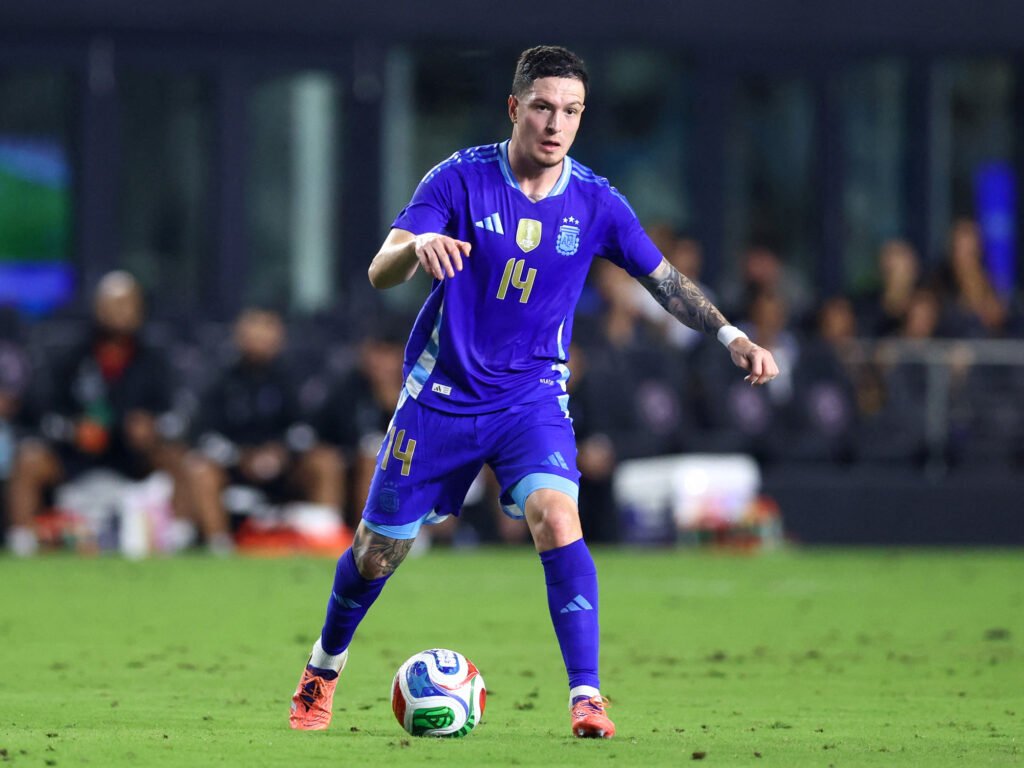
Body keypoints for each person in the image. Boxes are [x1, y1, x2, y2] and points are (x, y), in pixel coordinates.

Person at [289, 45, 779, 739]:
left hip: (532, 398)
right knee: (376, 553)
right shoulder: (459, 179)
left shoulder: (596, 201)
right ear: (515, 108)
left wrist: (731, 335)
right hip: (441, 396)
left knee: (556, 515)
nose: (556, 124)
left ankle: (587, 696)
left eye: (571, 111)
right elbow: (380, 269)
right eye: (543, 107)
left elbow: (664, 281)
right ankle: (323, 668)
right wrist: (416, 249)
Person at [4, 271, 188, 556]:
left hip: (132, 456)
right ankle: (23, 540)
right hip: (76, 456)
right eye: (113, 305)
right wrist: (73, 430)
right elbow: (40, 413)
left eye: (128, 304)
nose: (121, 312)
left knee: (178, 457)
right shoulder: (69, 353)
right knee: (29, 459)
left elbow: (178, 414)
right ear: (98, 308)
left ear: (140, 309)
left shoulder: (156, 357)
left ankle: (179, 537)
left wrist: (152, 427)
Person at [187, 307, 344, 553]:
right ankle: (219, 548)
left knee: (325, 461)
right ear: (240, 336)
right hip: (234, 469)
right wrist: (239, 457)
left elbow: (306, 429)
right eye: (255, 332)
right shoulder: (220, 378)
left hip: (286, 467)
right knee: (200, 469)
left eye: (267, 332)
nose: (261, 339)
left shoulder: (295, 377)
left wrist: (282, 453)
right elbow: (203, 435)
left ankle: (325, 539)